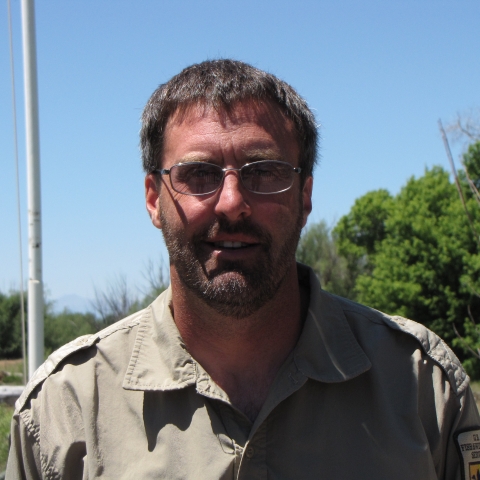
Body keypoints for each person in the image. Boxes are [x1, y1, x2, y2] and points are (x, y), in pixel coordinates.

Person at [5, 59, 480, 480]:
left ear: (306, 195)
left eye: (264, 172)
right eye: (199, 175)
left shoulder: (422, 387)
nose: (232, 203)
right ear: (154, 199)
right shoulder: (64, 411)